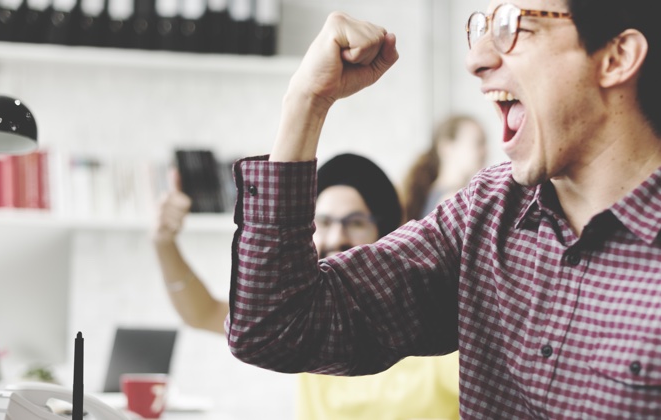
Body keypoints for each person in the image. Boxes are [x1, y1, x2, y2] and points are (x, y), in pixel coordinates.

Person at [226, 2, 661, 419]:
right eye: (482, 27)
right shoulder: (485, 213)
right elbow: (275, 327)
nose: (475, 58)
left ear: (616, 58)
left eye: (514, 26)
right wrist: (307, 100)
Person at [153, 153, 459, 419]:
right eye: (323, 223)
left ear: (385, 235)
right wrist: (164, 243)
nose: (335, 237)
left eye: (354, 222)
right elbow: (202, 313)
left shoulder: (432, 322)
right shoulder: (304, 314)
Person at [401, 115, 487, 221]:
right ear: (446, 147)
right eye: (478, 143)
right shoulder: (452, 200)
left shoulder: (434, 193)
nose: (485, 152)